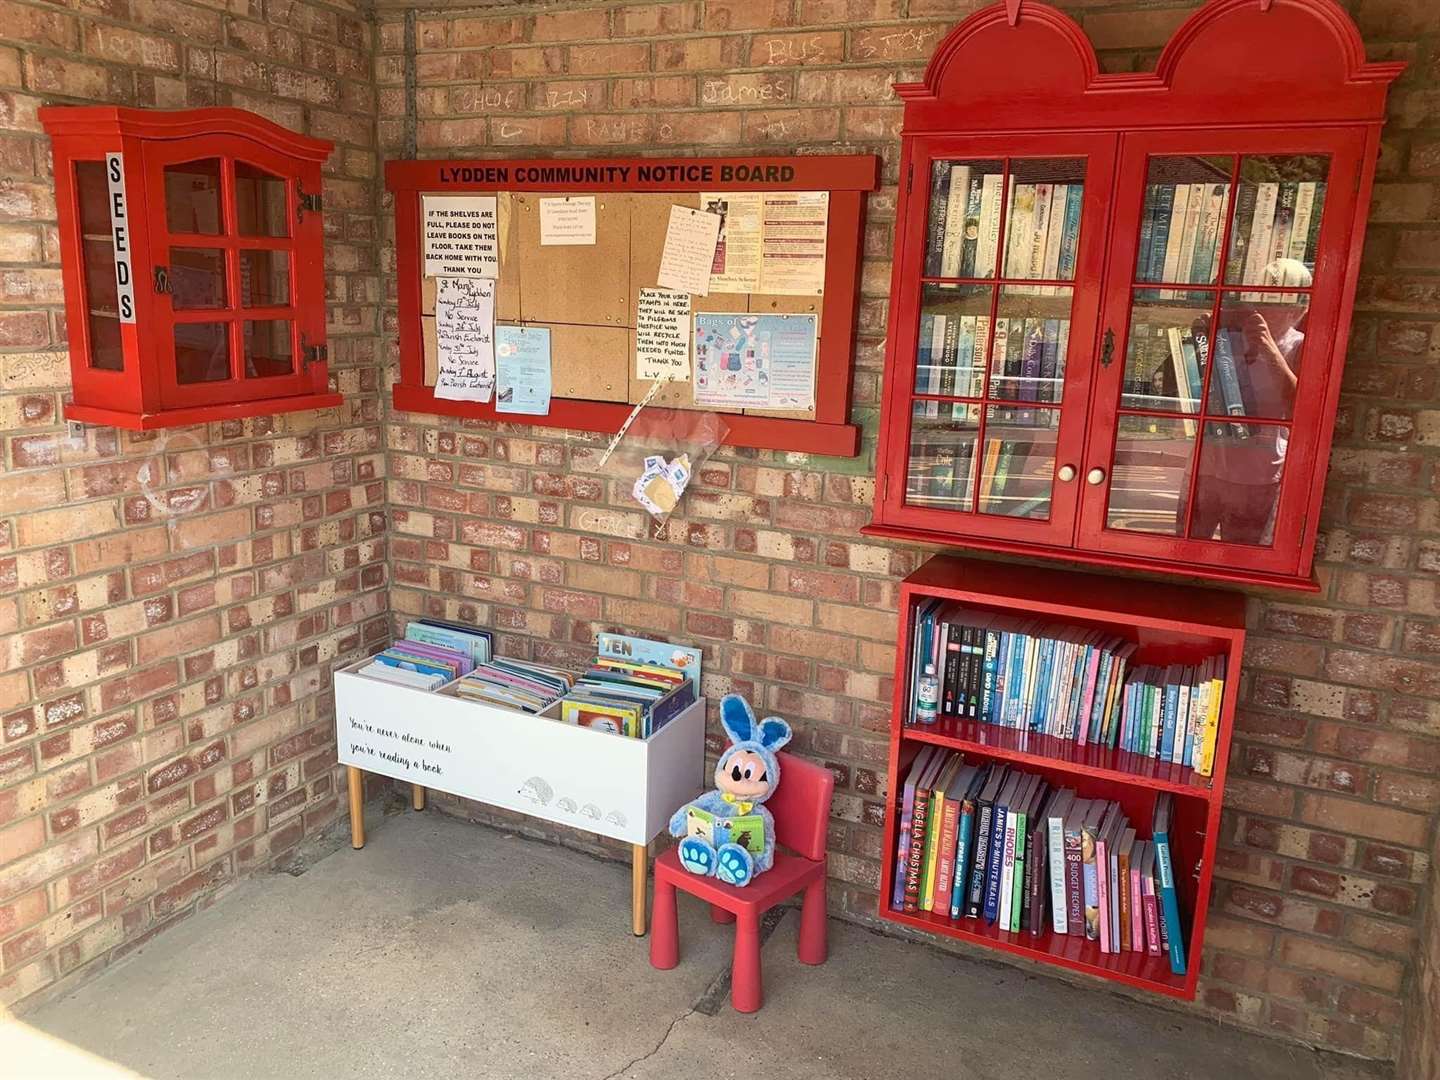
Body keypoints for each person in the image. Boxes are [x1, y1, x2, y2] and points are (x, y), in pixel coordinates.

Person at [1187, 257, 1310, 545]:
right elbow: (1188, 386)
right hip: (1205, 464)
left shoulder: (1299, 345)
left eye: (1279, 302)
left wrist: (1268, 347)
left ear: (1298, 310)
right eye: (1261, 298)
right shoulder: (1228, 333)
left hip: (1256, 476)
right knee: (1182, 544)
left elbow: (1300, 411)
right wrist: (1200, 337)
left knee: (1238, 553)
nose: (1265, 309)